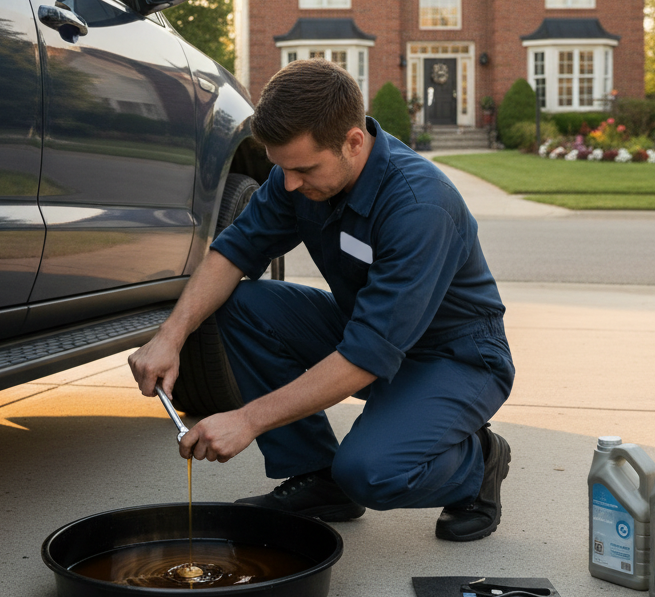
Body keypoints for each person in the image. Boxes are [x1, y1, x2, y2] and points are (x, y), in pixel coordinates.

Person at [129, 59, 515, 541]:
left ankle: (478, 464)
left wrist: (247, 420)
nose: (289, 184)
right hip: (367, 330)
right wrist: (170, 337)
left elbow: (366, 356)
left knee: (369, 472)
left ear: (353, 141)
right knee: (237, 305)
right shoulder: (298, 175)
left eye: (303, 169)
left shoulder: (420, 206)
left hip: (455, 357)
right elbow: (233, 252)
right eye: (281, 168)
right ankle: (316, 477)